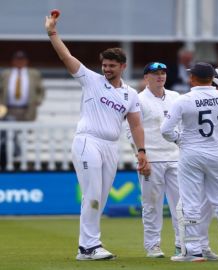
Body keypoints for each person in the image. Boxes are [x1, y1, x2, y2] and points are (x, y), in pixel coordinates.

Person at [45, 13, 149, 261]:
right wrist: (52, 33)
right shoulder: (91, 80)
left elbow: (135, 126)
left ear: (122, 67)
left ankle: (87, 247)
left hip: (110, 147)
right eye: (104, 65)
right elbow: (66, 57)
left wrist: (142, 152)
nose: (107, 69)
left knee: (100, 197)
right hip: (87, 141)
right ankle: (89, 246)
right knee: (91, 192)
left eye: (112, 66)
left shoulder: (130, 94)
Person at [161, 62, 218, 262]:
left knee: (191, 201)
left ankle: (193, 251)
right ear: (212, 79)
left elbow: (165, 130)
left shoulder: (184, 100)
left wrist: (179, 139)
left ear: (192, 78)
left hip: (192, 154)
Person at [126, 62, 181, 258]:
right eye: (155, 73)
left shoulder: (175, 97)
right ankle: (153, 246)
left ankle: (181, 244)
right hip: (152, 159)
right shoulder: (138, 100)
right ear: (146, 77)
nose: (160, 76)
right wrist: (141, 156)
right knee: (151, 204)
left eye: (163, 73)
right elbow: (130, 130)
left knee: (181, 205)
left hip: (176, 158)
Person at [0, 50, 45, 122]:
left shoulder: (34, 73)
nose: (19, 62)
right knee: (8, 131)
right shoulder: (6, 73)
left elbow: (41, 90)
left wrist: (38, 101)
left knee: (26, 130)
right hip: (8, 109)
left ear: (26, 61)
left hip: (27, 109)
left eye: (22, 59)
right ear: (13, 61)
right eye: (17, 59)